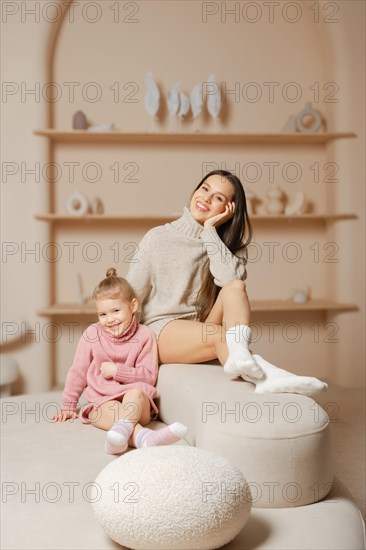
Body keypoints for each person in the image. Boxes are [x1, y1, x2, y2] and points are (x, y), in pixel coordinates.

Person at [126, 169, 327, 396]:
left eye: (219, 198)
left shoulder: (230, 248)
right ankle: (270, 377)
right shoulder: (158, 238)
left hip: (202, 328)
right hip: (161, 331)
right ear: (195, 191)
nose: (207, 199)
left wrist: (210, 231)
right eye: (205, 189)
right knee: (224, 338)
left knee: (236, 288)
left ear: (229, 210)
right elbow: (130, 298)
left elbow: (231, 280)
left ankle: (259, 371)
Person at [52, 268, 188, 454]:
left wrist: (117, 371)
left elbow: (148, 376)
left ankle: (125, 434)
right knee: (103, 410)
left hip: (137, 404)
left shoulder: (145, 336)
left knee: (135, 394)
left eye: (116, 311)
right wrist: (68, 405)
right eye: (103, 314)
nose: (110, 320)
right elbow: (78, 371)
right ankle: (143, 438)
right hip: (103, 401)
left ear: (132, 306)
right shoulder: (92, 334)